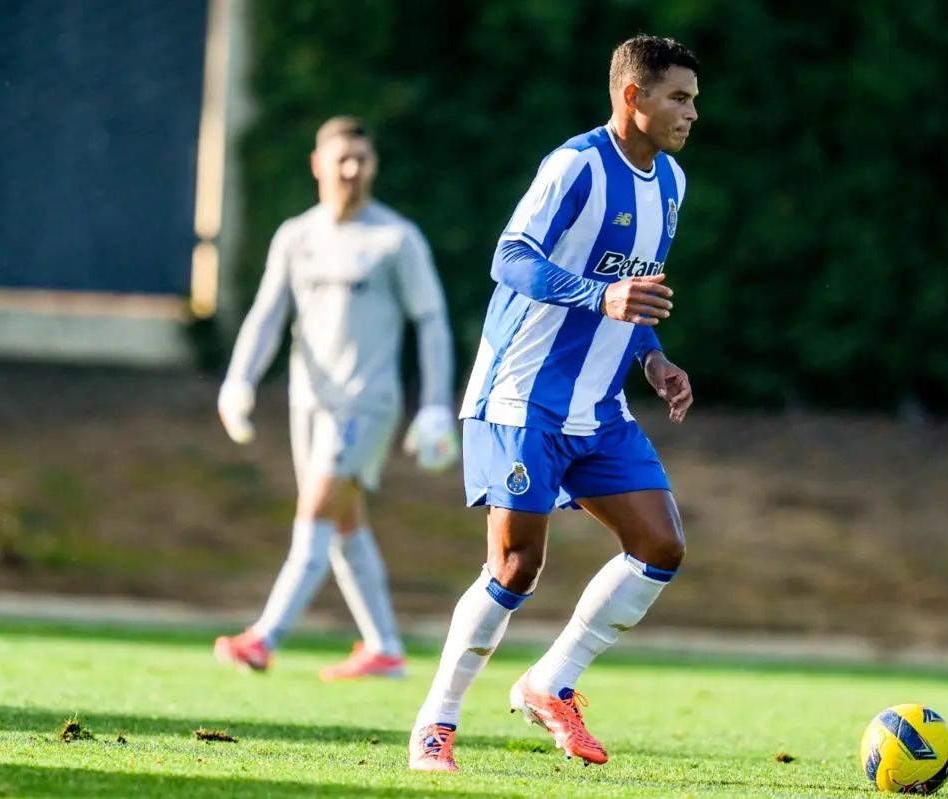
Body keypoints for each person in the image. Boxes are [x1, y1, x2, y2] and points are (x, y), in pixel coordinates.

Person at [408, 35, 699, 772]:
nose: (693, 112)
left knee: (661, 546)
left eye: (693, 99)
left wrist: (654, 359)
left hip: (599, 408)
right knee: (515, 567)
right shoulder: (576, 166)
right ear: (631, 97)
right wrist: (599, 294)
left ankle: (550, 682)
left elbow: (629, 291)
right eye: (679, 97)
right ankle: (436, 722)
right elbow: (510, 255)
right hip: (522, 397)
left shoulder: (671, 184)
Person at [212, 115, 459, 681]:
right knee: (345, 524)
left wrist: (437, 402)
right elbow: (268, 314)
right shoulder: (296, 235)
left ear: (373, 167)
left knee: (315, 514)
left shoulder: (396, 238)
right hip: (309, 406)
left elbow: (432, 322)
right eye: (341, 158)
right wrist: (238, 380)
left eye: (362, 160)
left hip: (367, 403)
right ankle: (385, 648)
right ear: (318, 164)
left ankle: (264, 638)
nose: (351, 169)